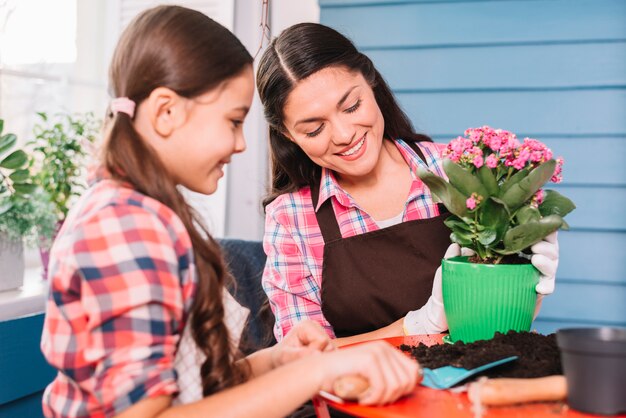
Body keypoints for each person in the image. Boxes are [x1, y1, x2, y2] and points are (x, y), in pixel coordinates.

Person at [40, 7, 419, 417]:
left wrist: (275, 361)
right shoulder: (126, 227)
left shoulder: (143, 216)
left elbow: (187, 390)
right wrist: (320, 371)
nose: (240, 145)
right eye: (234, 121)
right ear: (166, 112)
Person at [256, 22, 560, 347]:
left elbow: (500, 326)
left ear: (370, 80)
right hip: (361, 394)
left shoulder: (457, 171)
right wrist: (414, 326)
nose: (344, 135)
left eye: (351, 106)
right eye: (315, 130)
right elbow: (303, 359)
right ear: (288, 135)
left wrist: (525, 282)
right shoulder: (291, 218)